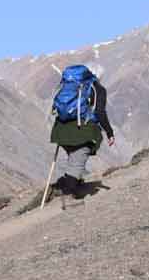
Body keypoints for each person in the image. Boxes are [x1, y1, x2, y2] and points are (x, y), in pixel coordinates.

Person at [49, 65, 115, 203]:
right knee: (78, 159)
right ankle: (69, 194)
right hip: (81, 130)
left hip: (60, 130)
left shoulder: (69, 86)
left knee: (73, 156)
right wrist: (109, 132)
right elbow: (100, 113)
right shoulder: (97, 89)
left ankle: (71, 183)